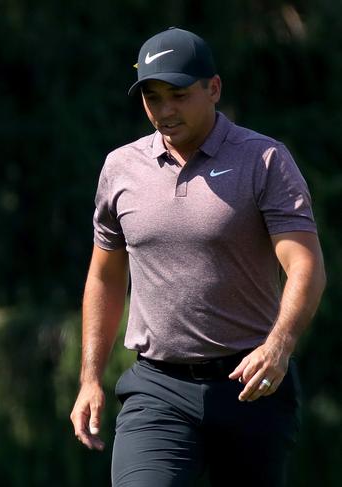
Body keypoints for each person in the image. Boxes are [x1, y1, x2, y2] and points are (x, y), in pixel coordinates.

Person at [70, 27, 326, 486]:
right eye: (152, 97)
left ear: (214, 88)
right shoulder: (121, 167)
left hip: (251, 382)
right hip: (157, 389)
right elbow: (105, 278)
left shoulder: (264, 159)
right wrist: (90, 377)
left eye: (179, 95)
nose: (165, 111)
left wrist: (280, 345)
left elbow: (305, 265)